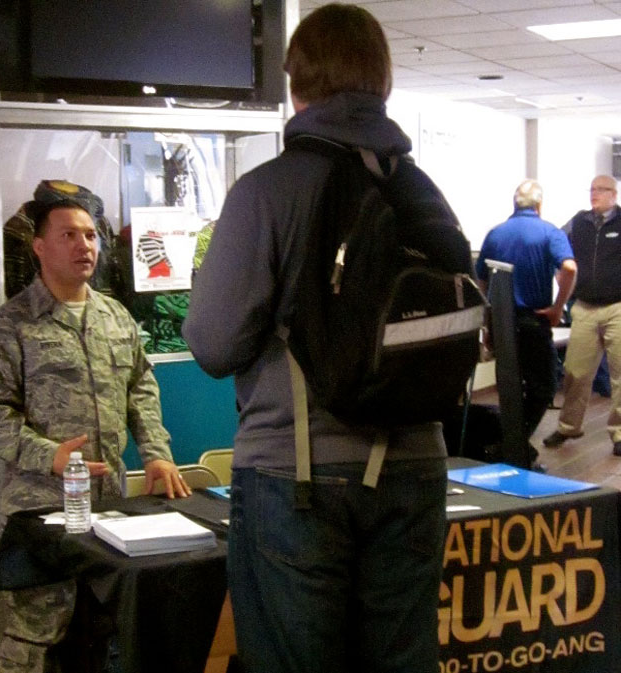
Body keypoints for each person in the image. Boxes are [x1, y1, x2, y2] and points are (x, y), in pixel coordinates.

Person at [182, 5, 464, 672]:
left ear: (297, 88)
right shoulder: (425, 194)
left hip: (298, 474)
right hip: (416, 465)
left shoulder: (267, 193)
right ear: (382, 83)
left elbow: (213, 343)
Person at [0, 179, 189, 673]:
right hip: (41, 516)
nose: (84, 246)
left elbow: (140, 388)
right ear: (40, 246)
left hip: (109, 510)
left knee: (108, 637)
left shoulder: (115, 317)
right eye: (69, 235)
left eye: (90, 235)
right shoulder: (8, 327)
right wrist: (47, 454)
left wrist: (155, 451)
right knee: (34, 643)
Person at [475, 180, 577, 461]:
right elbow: (569, 267)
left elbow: (480, 279)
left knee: (508, 386)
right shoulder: (549, 232)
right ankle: (513, 443)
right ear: (539, 205)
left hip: (501, 322)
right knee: (543, 386)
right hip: (533, 320)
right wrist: (558, 307)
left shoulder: (495, 234)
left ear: (514, 204)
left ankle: (509, 444)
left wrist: (487, 322)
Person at [543, 175, 621, 455]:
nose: (594, 194)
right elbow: (557, 250)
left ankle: (619, 433)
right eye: (592, 190)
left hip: (617, 308)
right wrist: (563, 282)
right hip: (585, 307)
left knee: (619, 374)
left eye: (600, 190)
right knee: (575, 372)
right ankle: (568, 427)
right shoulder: (579, 222)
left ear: (613, 193)